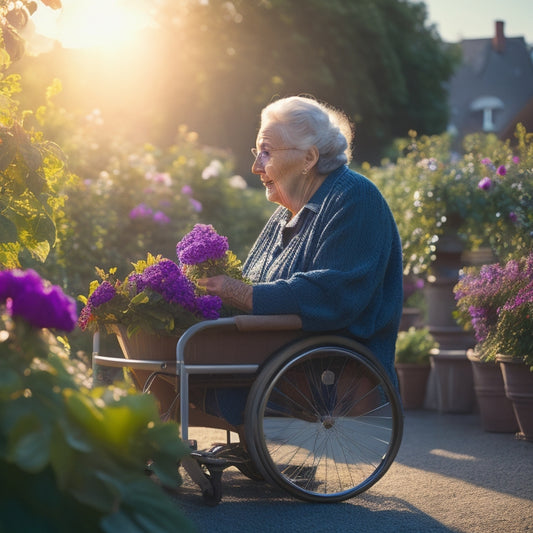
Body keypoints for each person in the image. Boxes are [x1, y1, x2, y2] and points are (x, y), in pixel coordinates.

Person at [197, 95, 403, 429]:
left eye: (266, 152)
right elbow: (255, 281)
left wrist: (239, 292)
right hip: (276, 358)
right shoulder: (285, 215)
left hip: (328, 373)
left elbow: (333, 294)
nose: (256, 166)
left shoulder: (355, 198)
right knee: (159, 351)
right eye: (257, 152)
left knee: (181, 364)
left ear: (309, 157)